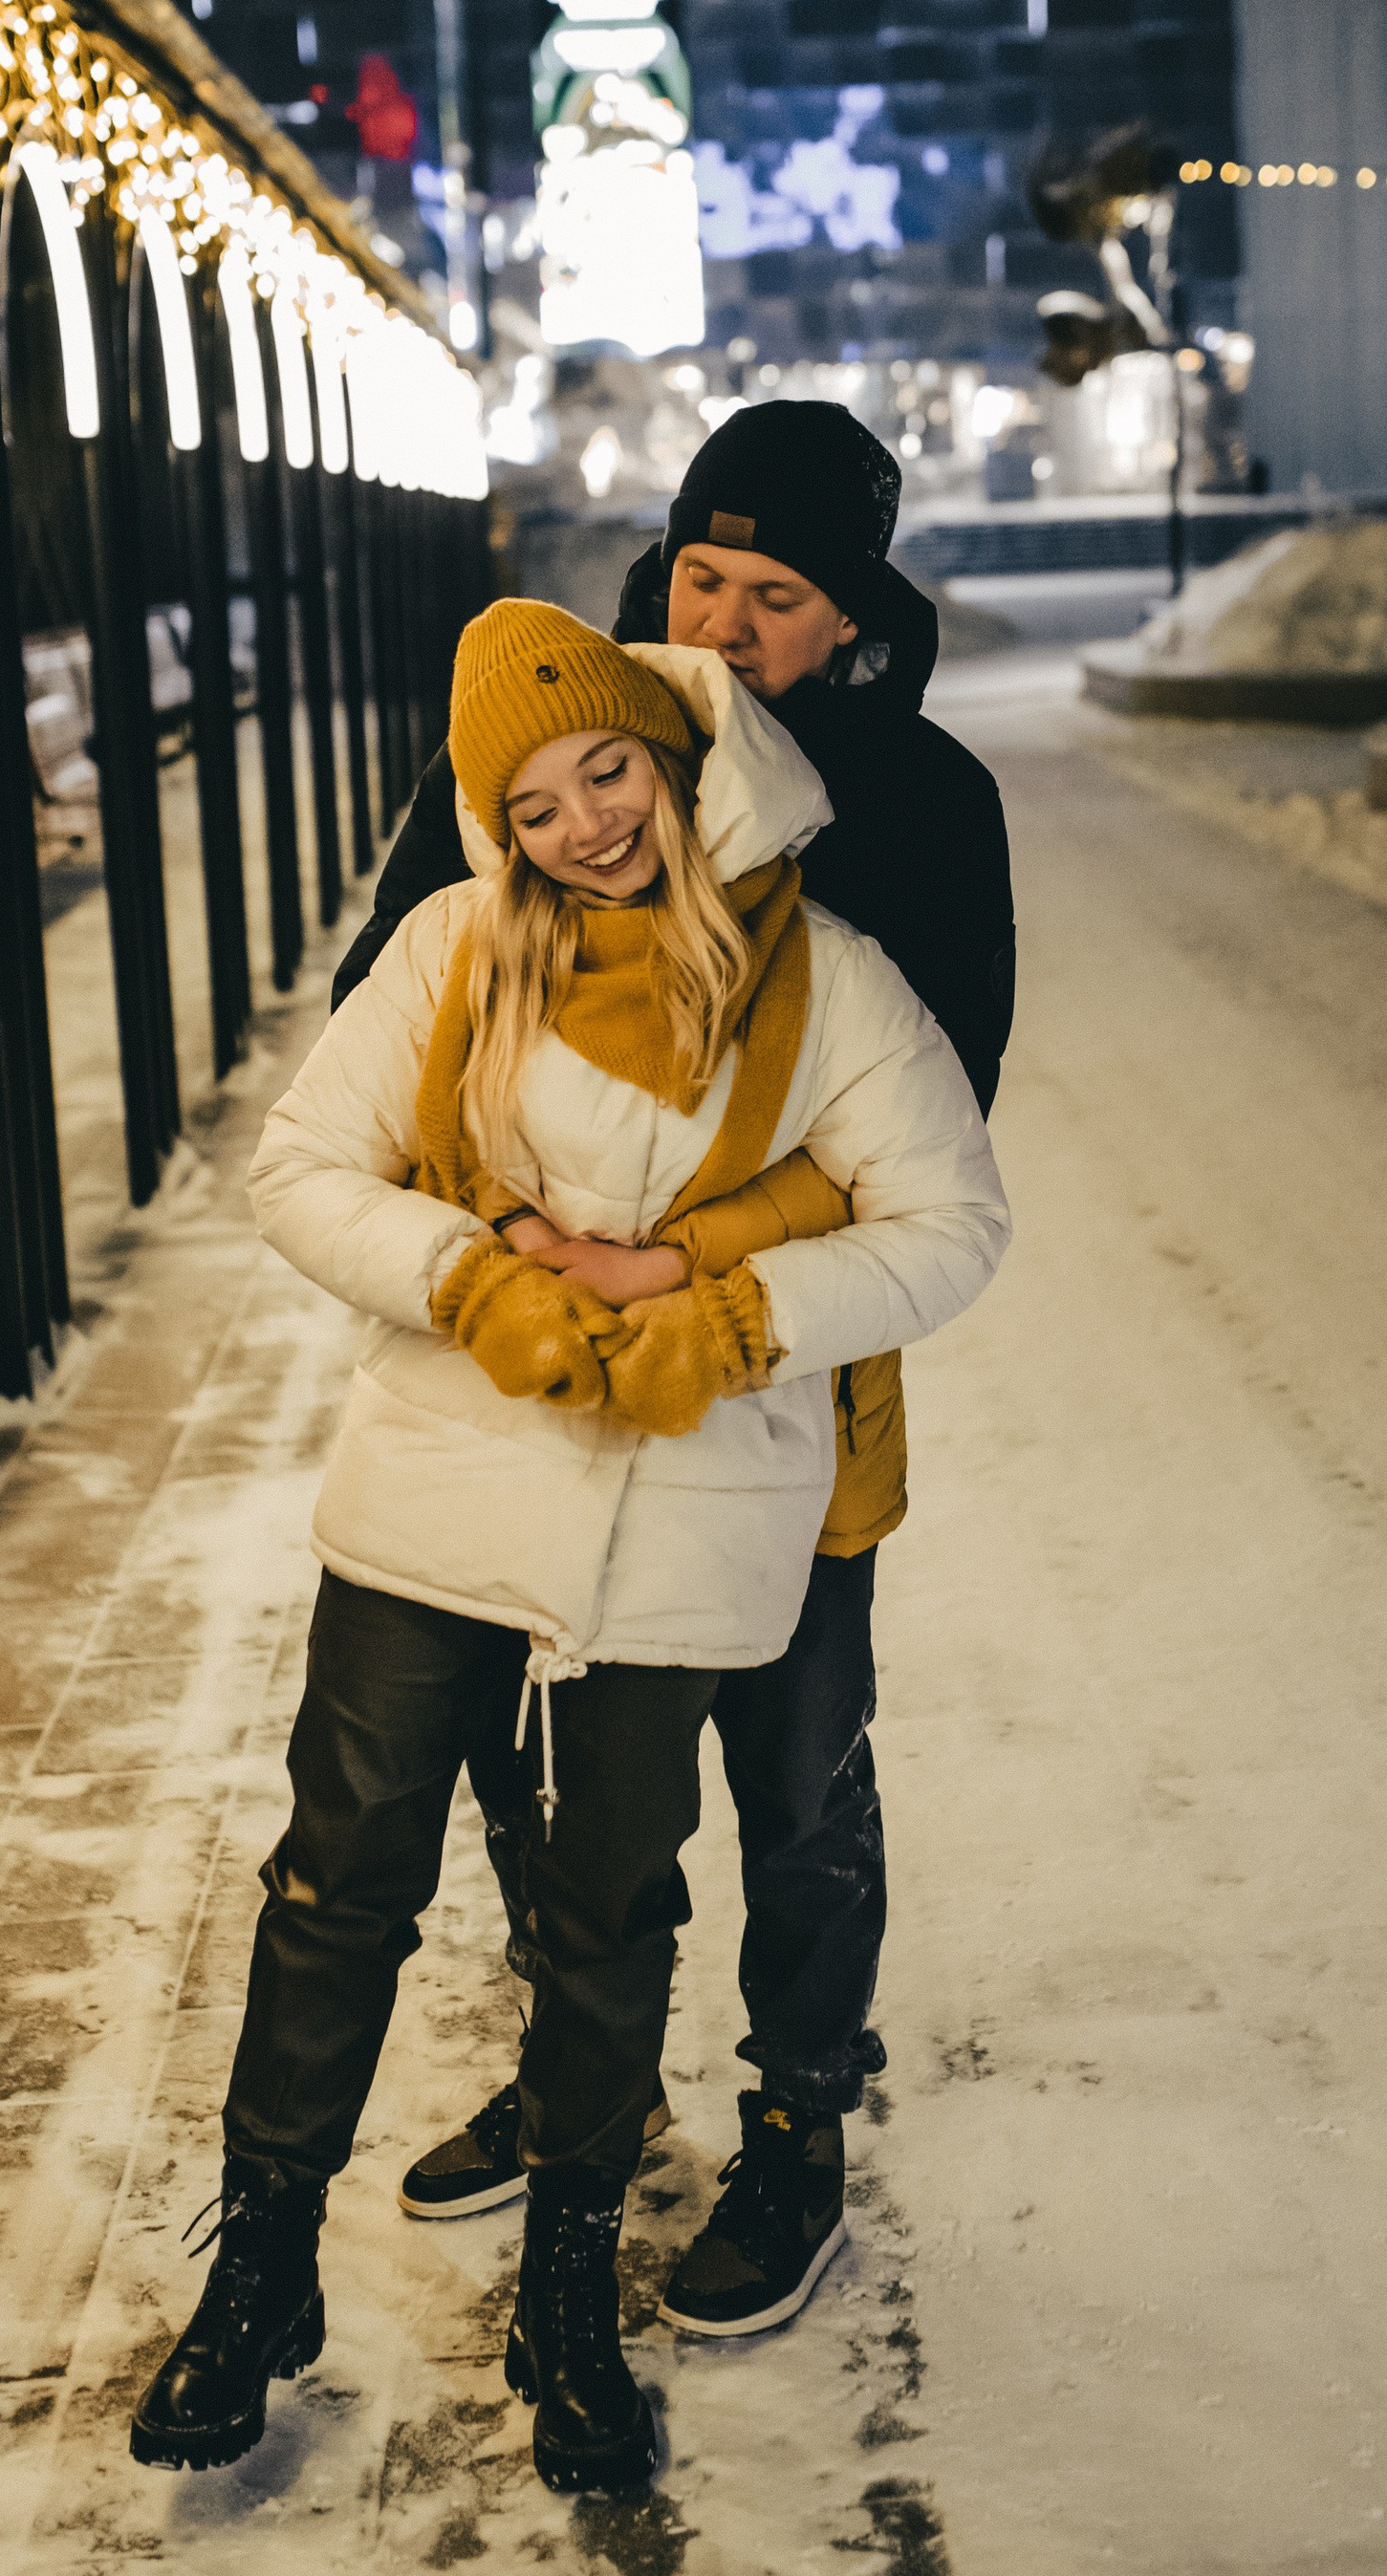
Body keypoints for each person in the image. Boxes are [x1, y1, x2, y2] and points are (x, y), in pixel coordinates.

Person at [128, 602, 1007, 2498]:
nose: (582, 823)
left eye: (606, 768)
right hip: (434, 1498)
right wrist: (462, 1277)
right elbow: (298, 1166)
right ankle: (260, 2280)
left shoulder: (826, 978)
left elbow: (953, 1224)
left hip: (676, 1530)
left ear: (675, 755)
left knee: (606, 1914)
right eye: (531, 800)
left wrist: (736, 1320)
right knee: (334, 1887)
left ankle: (564, 2307)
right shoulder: (453, 951)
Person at [334, 404, 1014, 2337]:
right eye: (699, 575)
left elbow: (931, 1141)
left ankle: (796, 2128)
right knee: (549, 1779)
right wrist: (523, 1241)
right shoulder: (563, 759)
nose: (725, 618)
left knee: (792, 1775)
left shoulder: (919, 808)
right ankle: (595, 2077)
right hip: (541, 1399)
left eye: (773, 592)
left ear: (847, 625)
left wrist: (680, 1259)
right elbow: (396, 1000)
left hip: (785, 1397)